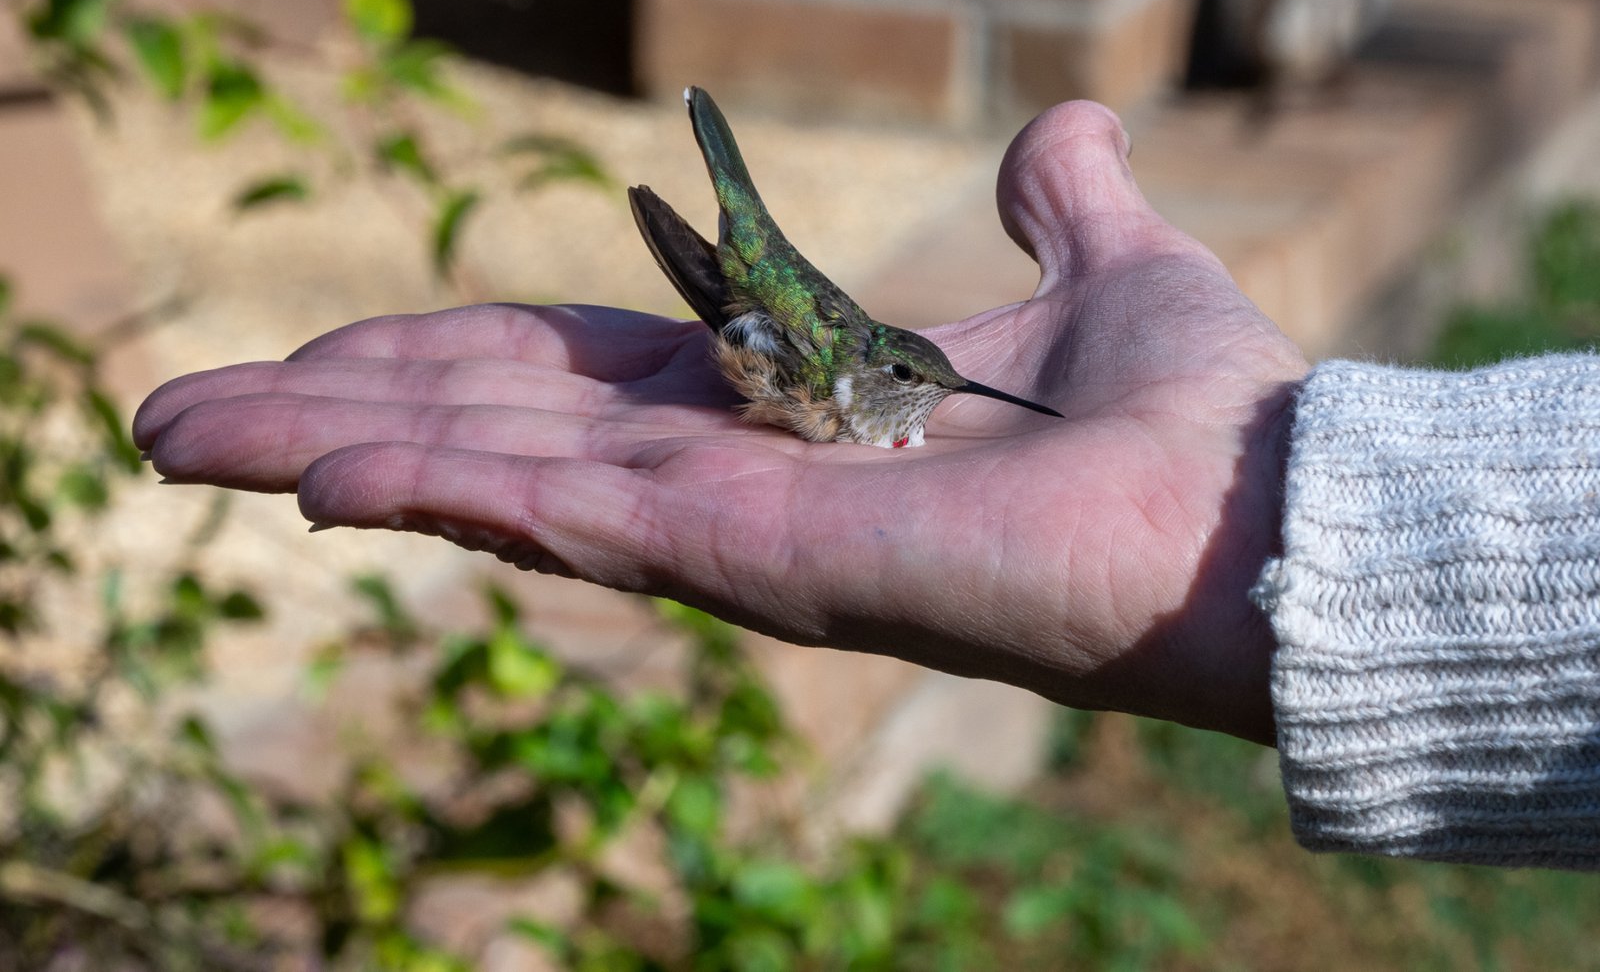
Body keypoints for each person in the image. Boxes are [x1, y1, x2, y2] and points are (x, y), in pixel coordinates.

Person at [133, 100, 1600, 870]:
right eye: (918, 390)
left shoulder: (882, 383)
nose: (929, 406)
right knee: (741, 240)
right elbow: (775, 337)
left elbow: (883, 369)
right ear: (877, 382)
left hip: (803, 326)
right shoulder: (823, 381)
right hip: (776, 323)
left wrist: (1266, 501)